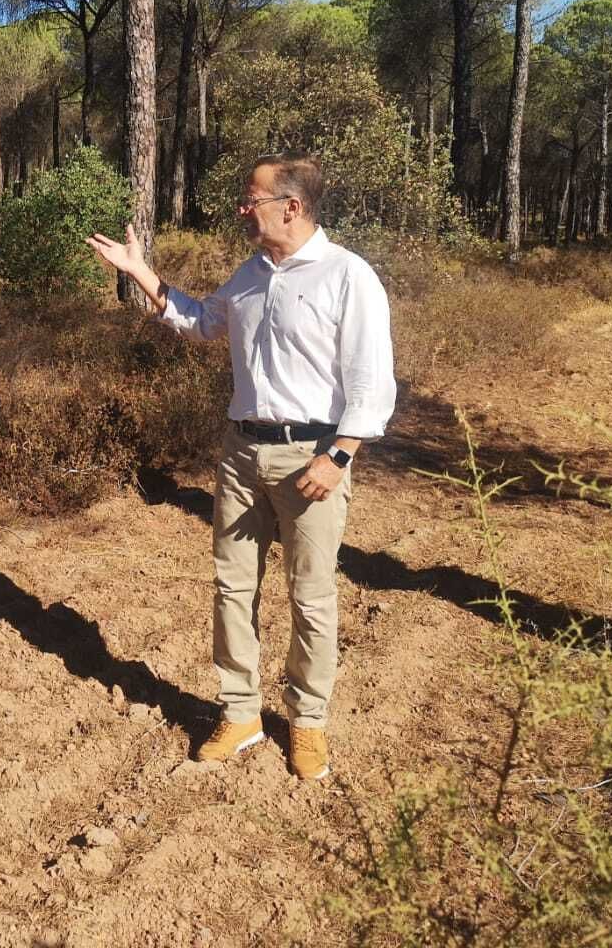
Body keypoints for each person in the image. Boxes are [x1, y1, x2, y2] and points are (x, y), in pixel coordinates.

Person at [87, 156, 395, 780]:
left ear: (292, 207)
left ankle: (307, 721)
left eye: (251, 200)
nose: (241, 210)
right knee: (232, 587)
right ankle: (242, 713)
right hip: (240, 452)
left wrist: (339, 456)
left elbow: (372, 383)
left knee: (311, 595)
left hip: (313, 457)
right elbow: (203, 322)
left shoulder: (347, 276)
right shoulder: (250, 275)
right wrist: (141, 272)